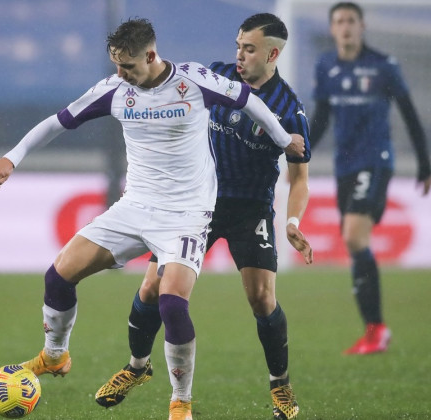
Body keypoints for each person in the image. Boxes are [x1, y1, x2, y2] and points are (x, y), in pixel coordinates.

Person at [0, 18, 306, 420]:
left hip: (188, 214)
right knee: (58, 275)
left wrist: (281, 139)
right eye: (116, 65)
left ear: (151, 55)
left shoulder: (193, 81)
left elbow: (248, 100)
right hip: (134, 207)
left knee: (173, 301)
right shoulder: (115, 91)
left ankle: (180, 403)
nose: (121, 74)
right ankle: (54, 356)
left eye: (128, 66)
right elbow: (58, 121)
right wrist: (12, 157)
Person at [94, 14, 312, 420]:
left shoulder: (289, 108)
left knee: (262, 299)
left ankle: (280, 384)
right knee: (151, 289)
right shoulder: (215, 77)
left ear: (273, 53)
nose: (240, 54)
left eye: (249, 48)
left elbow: (299, 179)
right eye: (238, 45)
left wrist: (293, 222)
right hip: (196, 203)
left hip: (250, 208)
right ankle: (137, 368)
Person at [309, 2, 431, 355]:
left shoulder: (383, 66)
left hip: (376, 161)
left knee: (353, 234)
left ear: (362, 26)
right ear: (332, 29)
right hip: (344, 167)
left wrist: (424, 163)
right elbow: (321, 117)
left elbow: (409, 114)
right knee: (354, 243)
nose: (345, 27)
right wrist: (298, 157)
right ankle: (373, 329)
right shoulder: (326, 66)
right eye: (339, 22)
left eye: (351, 21)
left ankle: (377, 329)